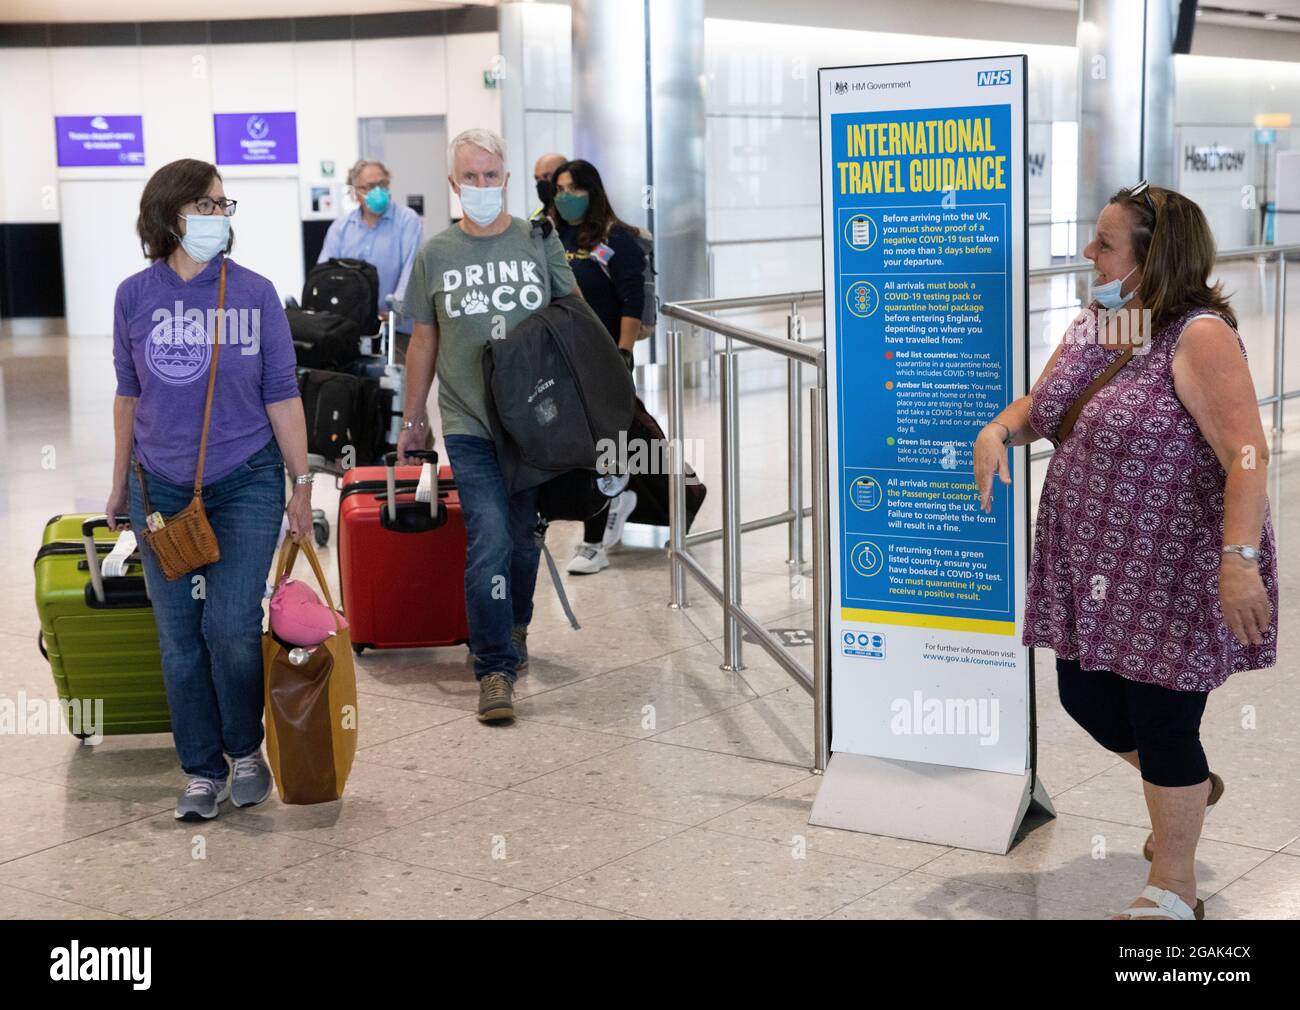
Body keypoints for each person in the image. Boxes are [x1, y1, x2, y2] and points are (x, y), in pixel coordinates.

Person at [974, 182, 1278, 921]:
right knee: (1084, 695)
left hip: (1173, 568)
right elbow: (1043, 404)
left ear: (1154, 258)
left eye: (1106, 244)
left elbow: (1246, 453)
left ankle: (1173, 888)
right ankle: (1189, 789)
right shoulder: (1105, 322)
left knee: (1163, 721)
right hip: (1096, 563)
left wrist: (1237, 559)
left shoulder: (1199, 335)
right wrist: (999, 430)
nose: (1089, 253)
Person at [106, 158, 312, 821]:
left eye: (225, 206)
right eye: (208, 205)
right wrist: (117, 485)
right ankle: (200, 770)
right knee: (179, 639)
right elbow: (128, 393)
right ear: (171, 214)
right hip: (158, 489)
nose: (220, 217)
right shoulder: (134, 296)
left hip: (248, 479)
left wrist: (302, 484)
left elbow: (282, 393)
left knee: (228, 627)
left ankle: (245, 750)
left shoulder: (254, 294)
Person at [399, 128, 576, 724]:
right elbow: (423, 340)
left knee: (524, 540)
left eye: (490, 174)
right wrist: (412, 416)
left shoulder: (538, 240)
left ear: (506, 178)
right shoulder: (435, 256)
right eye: (468, 176)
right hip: (470, 422)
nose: (480, 185)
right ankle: (494, 667)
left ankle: (517, 623)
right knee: (491, 540)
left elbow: (570, 320)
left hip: (533, 424)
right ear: (454, 185)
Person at [551, 158, 645, 575]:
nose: (565, 197)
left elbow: (631, 300)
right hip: (562, 357)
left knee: (600, 449)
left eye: (574, 188)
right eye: (559, 189)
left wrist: (623, 355)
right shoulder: (554, 234)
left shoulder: (614, 239)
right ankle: (617, 498)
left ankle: (593, 545)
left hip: (605, 358)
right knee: (577, 448)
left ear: (593, 190)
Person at [318, 159, 423, 358]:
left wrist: (395, 309)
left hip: (395, 329)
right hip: (349, 330)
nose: (378, 191)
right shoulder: (341, 228)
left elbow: (412, 269)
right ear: (356, 192)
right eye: (370, 187)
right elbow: (324, 275)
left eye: (382, 185)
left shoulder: (407, 220)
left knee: (397, 386)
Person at [531, 151, 567, 225]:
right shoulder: (536, 219)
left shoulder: (575, 215)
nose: (541, 183)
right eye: (537, 178)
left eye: (547, 176)